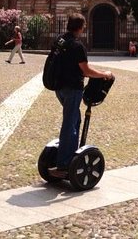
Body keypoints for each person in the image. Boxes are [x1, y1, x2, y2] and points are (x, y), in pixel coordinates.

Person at [49, 13, 113, 178]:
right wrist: (103, 74)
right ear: (81, 27)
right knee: (69, 124)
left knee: (75, 120)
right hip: (72, 89)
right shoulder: (77, 46)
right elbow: (86, 71)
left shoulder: (60, 41)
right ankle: (63, 164)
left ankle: (69, 153)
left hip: (59, 88)